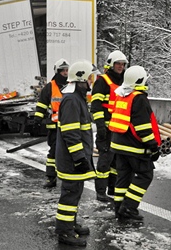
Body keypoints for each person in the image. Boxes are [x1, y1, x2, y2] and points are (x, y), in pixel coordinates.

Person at [109, 65, 161, 220]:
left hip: (119, 146)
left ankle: (119, 208)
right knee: (145, 175)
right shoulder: (139, 98)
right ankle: (129, 207)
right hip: (134, 148)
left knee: (123, 177)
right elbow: (143, 128)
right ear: (139, 81)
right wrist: (153, 147)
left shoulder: (122, 95)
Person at [54, 60, 97, 247]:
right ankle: (64, 232)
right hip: (72, 159)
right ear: (81, 79)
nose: (92, 81)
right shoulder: (72, 100)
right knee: (70, 194)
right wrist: (80, 158)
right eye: (90, 77)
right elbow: (71, 134)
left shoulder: (77, 97)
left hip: (75, 158)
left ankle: (69, 223)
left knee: (75, 192)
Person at [90, 50, 127, 202]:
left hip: (119, 129)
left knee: (116, 161)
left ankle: (112, 188)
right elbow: (96, 106)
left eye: (123, 64)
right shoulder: (102, 81)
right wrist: (100, 126)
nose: (120, 67)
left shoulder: (124, 82)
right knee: (104, 161)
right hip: (105, 129)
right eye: (118, 64)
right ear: (111, 65)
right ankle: (100, 192)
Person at [33, 58, 69, 188]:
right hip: (54, 127)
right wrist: (38, 118)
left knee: (70, 152)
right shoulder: (50, 87)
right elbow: (42, 104)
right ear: (58, 71)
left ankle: (68, 178)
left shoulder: (71, 85)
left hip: (69, 126)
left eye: (67, 70)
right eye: (63, 70)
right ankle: (50, 178)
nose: (65, 73)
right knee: (53, 153)